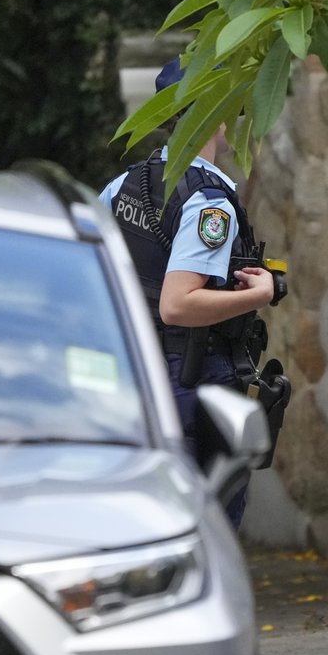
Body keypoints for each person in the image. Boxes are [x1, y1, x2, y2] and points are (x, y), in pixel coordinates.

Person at [99, 58, 278, 527]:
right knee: (208, 529)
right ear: (218, 116)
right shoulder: (208, 202)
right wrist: (259, 295)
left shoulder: (123, 185)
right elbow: (178, 305)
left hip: (134, 376)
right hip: (191, 379)